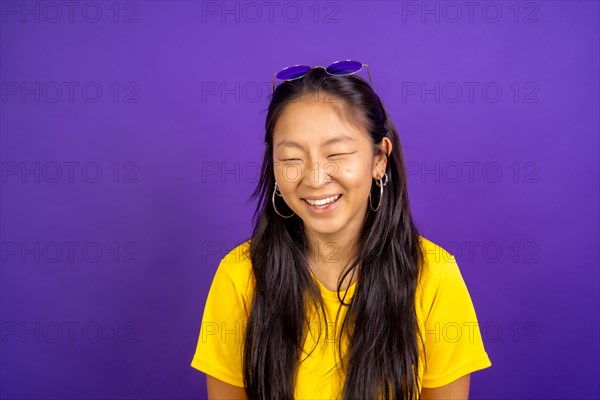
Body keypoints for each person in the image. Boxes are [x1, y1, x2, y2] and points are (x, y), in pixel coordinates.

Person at [191, 61, 492, 399]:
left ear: (380, 158)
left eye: (337, 153)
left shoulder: (435, 276)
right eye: (291, 159)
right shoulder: (240, 275)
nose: (316, 179)